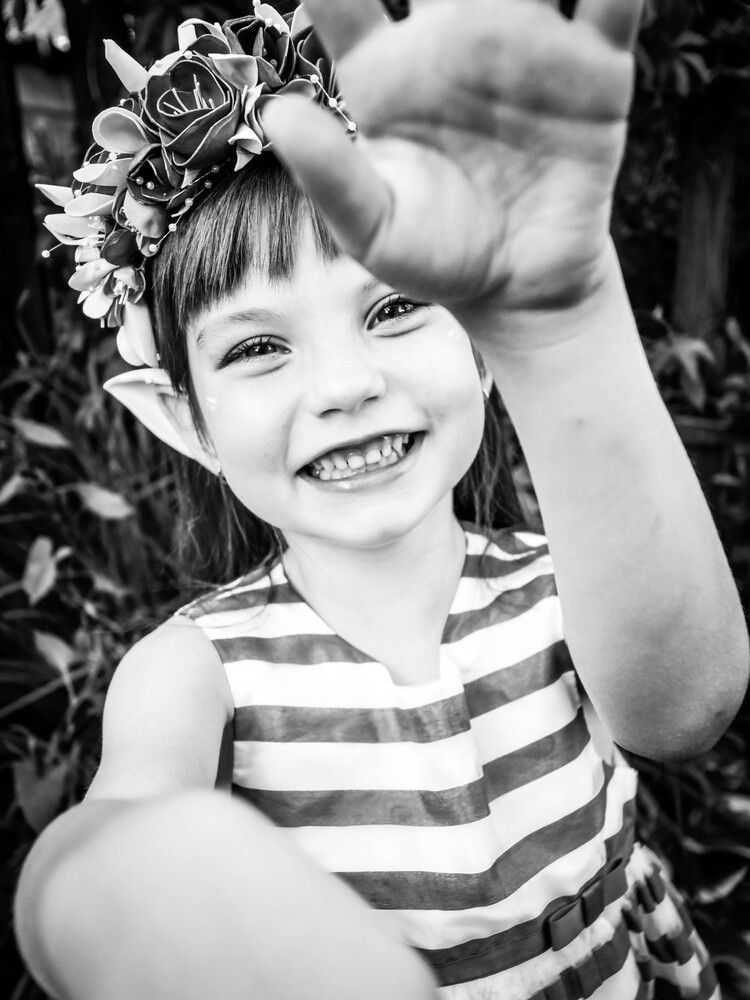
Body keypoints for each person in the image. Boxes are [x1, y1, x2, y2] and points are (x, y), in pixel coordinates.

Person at [14, 0, 749, 998]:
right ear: (183, 422)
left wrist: (566, 325)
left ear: (480, 342)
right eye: (258, 346)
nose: (345, 385)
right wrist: (111, 896)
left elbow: (686, 709)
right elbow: (113, 829)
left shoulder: (570, 587)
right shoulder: (194, 674)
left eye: (395, 306)